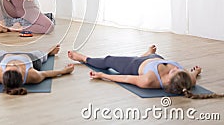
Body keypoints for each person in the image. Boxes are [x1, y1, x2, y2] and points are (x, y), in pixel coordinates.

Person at [68, 45, 224, 99]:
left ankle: (83, 58)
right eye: (178, 69)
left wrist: (103, 75)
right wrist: (196, 71)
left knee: (109, 60)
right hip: (155, 58)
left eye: (174, 71)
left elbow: (127, 78)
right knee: (151, 55)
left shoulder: (149, 81)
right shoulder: (188, 79)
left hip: (135, 65)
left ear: (168, 81)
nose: (176, 68)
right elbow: (193, 76)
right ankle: (147, 53)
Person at [0, 44, 74, 95]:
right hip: (30, 58)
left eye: (10, 67)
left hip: (5, 56)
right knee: (41, 54)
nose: (13, 63)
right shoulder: (33, 76)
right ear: (22, 75)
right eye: (15, 67)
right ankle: (49, 52)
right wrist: (64, 71)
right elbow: (47, 74)